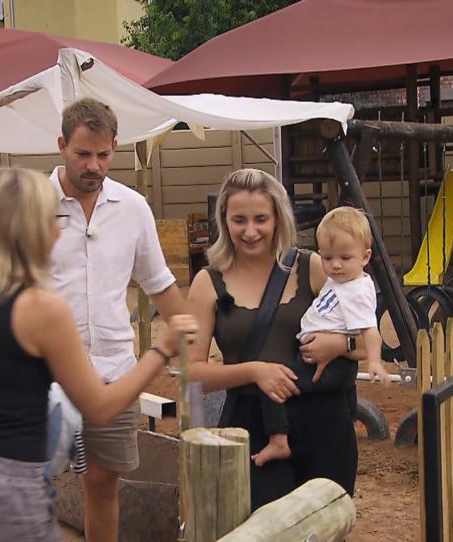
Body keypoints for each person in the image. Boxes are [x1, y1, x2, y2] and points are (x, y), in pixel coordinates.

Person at [0, 167, 196, 542]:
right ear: (35, 227)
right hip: (7, 491)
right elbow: (101, 407)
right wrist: (161, 350)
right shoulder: (41, 310)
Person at [187, 168, 381, 509]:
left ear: (278, 218)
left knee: (325, 526)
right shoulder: (207, 283)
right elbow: (193, 374)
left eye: (261, 218)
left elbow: (367, 336)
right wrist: (255, 371)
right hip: (254, 424)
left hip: (324, 420)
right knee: (265, 528)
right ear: (224, 221)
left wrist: (339, 345)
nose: (250, 231)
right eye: (239, 220)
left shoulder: (316, 267)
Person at [48, 98, 189, 541]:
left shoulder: (132, 207)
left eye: (103, 154)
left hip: (114, 372)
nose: (94, 165)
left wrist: (189, 336)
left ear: (115, 147)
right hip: (44, 377)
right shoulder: (32, 205)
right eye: (82, 154)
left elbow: (158, 282)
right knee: (29, 483)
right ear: (61, 146)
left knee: (104, 485)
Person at [252, 206, 389, 466]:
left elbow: (370, 330)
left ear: (365, 256)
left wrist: (374, 361)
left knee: (272, 386)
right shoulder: (343, 281)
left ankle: (278, 442)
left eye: (345, 258)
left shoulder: (357, 291)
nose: (335, 265)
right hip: (322, 360)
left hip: (329, 364)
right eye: (327, 258)